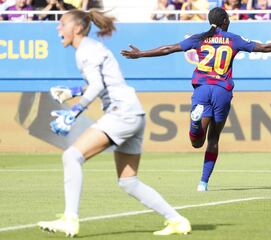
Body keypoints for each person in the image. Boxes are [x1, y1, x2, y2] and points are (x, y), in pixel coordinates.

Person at [121, 7, 271, 192]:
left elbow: (168, 49)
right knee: (213, 139)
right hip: (222, 90)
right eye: (228, 19)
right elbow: (264, 47)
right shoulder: (233, 39)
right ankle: (203, 183)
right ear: (224, 21)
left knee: (196, 142)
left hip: (202, 88)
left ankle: (195, 123)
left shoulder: (199, 38)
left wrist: (140, 54)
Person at [37, 8, 191, 237]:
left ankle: (70, 219)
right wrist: (73, 91)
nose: (58, 28)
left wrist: (76, 110)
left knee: (71, 156)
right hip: (134, 112)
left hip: (122, 113)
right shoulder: (92, 48)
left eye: (62, 24)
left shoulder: (84, 51)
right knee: (128, 182)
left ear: (77, 28)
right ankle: (177, 221)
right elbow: (104, 83)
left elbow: (98, 86)